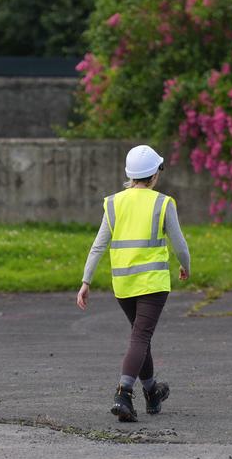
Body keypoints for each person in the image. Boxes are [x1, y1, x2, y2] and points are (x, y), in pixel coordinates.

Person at [76, 144, 191, 422]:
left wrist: (86, 281)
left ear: (130, 175)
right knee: (140, 337)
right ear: (155, 174)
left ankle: (152, 392)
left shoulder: (114, 203)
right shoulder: (163, 203)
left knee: (142, 336)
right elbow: (180, 245)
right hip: (152, 283)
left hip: (124, 284)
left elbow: (97, 246)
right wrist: (185, 266)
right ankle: (123, 393)